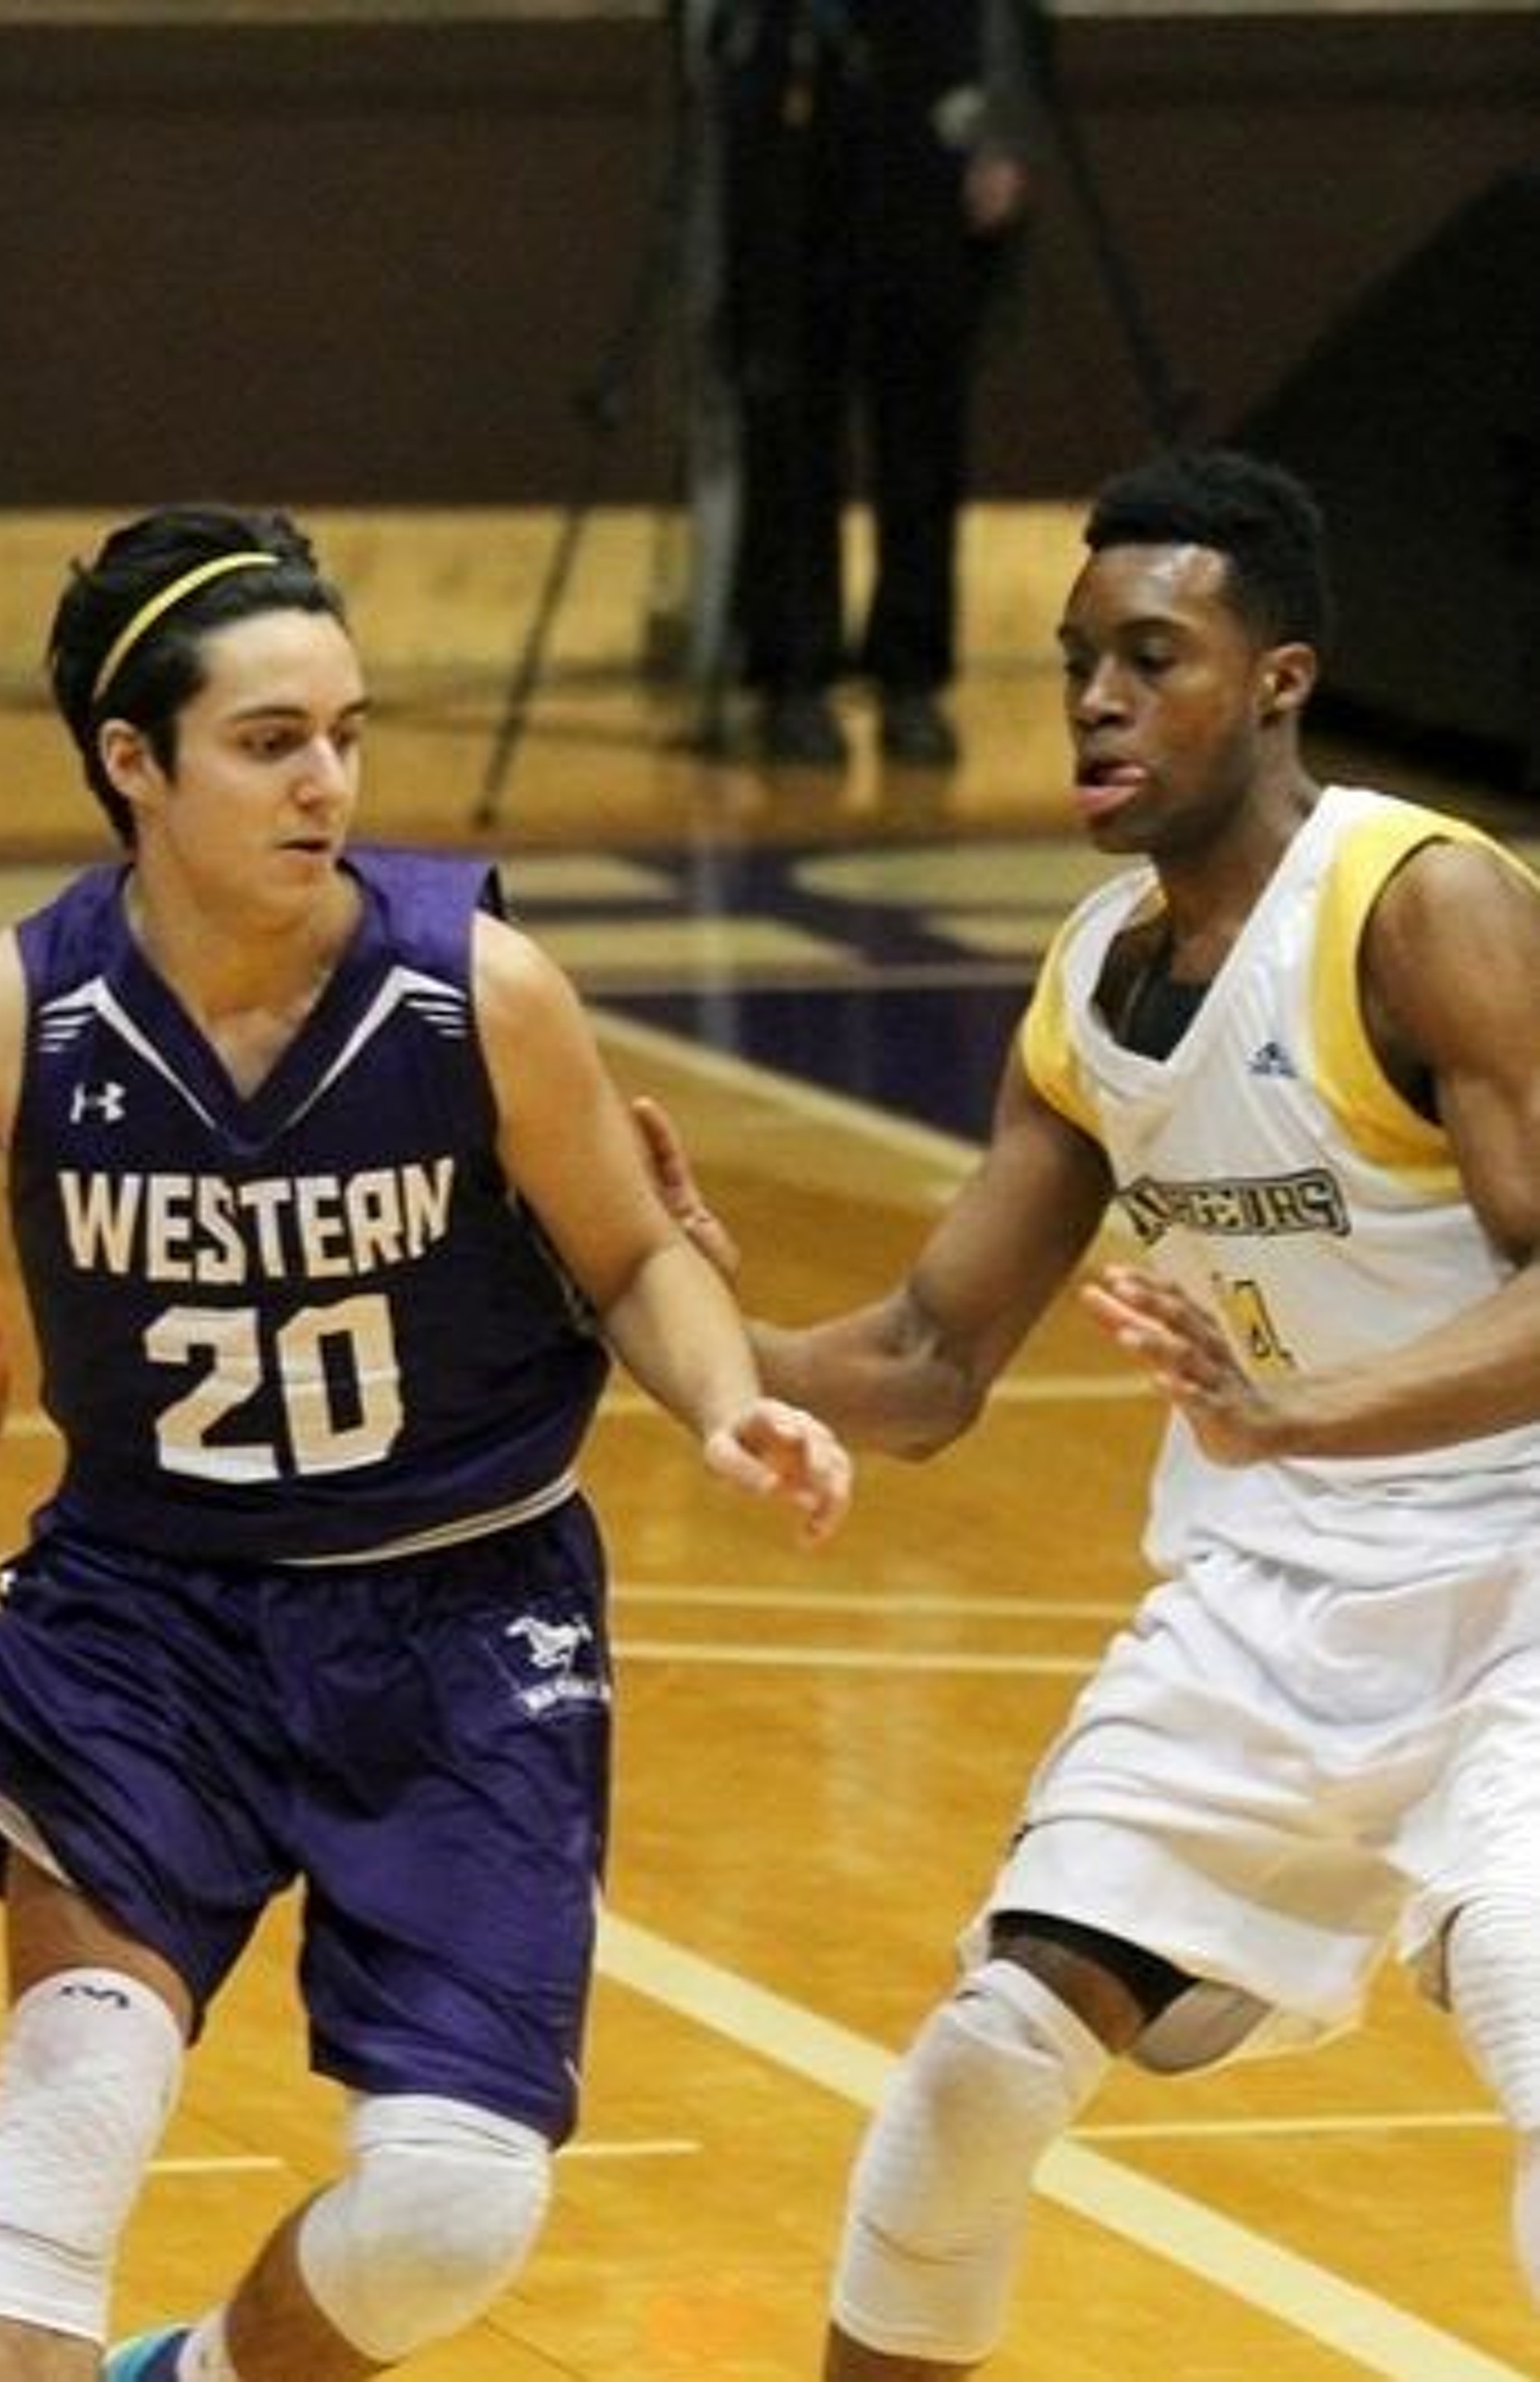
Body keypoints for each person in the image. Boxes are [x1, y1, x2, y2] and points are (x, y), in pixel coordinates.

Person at [0, 503, 853, 2380]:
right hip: (146, 1619)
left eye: (345, 734)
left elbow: (630, 1251)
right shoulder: (1, 1015)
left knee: (450, 2215)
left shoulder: (475, 990)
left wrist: (732, 1401)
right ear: (133, 763)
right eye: (269, 740)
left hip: (462, 1617)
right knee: (68, 2109)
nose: (325, 783)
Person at [641, 443, 1540, 2373]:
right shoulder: (1091, 978)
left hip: (1521, 1572)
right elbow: (924, 1362)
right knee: (985, 2056)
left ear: (1277, 681)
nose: (1096, 701)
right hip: (1274, 1599)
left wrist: (1308, 1415)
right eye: (1074, 662)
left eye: (1150, 656)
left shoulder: (1415, 904)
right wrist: (678, 1307)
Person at [713, 0, 1034, 767]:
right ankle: (793, 670)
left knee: (922, 416)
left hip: (930, 106)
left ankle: (910, 672)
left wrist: (1001, 133)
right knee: (790, 412)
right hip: (794, 106)